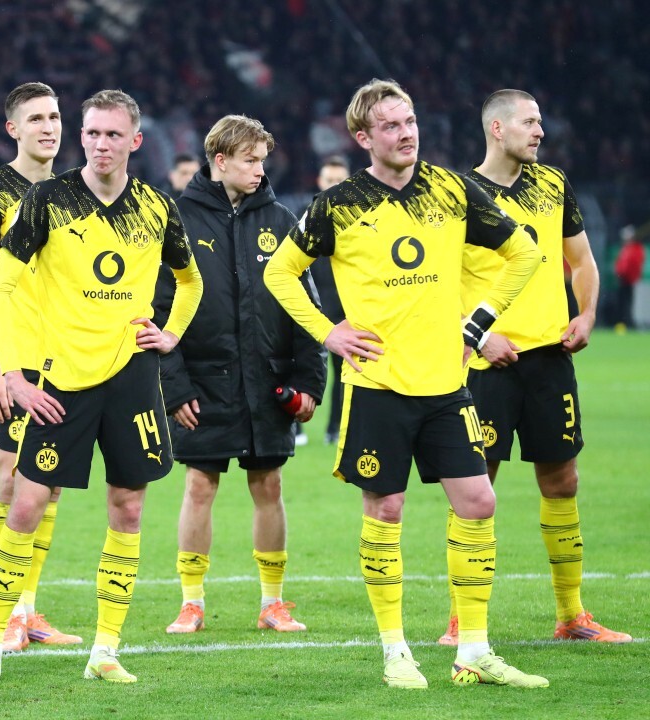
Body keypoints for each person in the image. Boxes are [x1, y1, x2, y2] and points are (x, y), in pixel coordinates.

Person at [264, 78, 547, 689]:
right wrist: (328, 331)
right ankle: (396, 652)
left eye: (410, 120)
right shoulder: (338, 204)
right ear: (363, 137)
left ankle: (474, 651)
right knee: (385, 508)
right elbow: (281, 273)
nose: (406, 133)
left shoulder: (451, 189)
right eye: (391, 125)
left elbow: (524, 253)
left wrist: (478, 322)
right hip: (378, 385)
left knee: (479, 503)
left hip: (446, 382)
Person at [0, 89, 203, 686]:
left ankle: (105, 650)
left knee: (128, 506)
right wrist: (12, 373)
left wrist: (169, 334)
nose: (99, 144)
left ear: (135, 141)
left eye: (112, 135)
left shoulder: (157, 207)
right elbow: (0, 288)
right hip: (60, 379)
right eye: (91, 133)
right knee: (26, 504)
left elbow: (191, 280)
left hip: (132, 378)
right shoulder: (46, 201)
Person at [438, 89, 631, 646]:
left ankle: (572, 616)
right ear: (497, 129)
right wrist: (479, 334)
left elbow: (582, 261)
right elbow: (436, 284)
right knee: (476, 489)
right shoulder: (459, 195)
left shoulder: (553, 184)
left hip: (550, 359)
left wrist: (587, 314)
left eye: (540, 121)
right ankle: (461, 620)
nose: (540, 131)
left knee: (563, 480)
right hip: (484, 366)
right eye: (529, 121)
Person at [152, 115, 326, 636]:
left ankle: (273, 603)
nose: (259, 170)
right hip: (202, 384)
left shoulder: (280, 218)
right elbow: (157, 314)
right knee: (199, 486)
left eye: (262, 161)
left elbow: (305, 307)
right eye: (250, 160)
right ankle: (191, 602)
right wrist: (174, 387)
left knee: (269, 484)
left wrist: (310, 383)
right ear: (220, 160)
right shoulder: (177, 219)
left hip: (267, 383)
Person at [0, 81, 80, 651]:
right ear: (13, 129)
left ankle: (28, 610)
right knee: (10, 477)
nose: (48, 127)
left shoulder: (74, 192)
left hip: (66, 358)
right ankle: (7, 611)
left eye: (54, 117)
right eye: (35, 119)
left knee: (48, 485)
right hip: (11, 359)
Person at [303, 156, 350, 445]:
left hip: (346, 314)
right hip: (310, 314)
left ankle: (335, 428)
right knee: (300, 369)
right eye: (330, 180)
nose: (334, 185)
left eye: (340, 180)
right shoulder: (305, 221)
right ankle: (295, 429)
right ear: (320, 182)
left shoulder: (362, 223)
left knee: (345, 374)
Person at [614, 224, 645, 329]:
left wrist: (629, 276)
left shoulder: (636, 248)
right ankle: (623, 322)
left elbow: (634, 265)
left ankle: (629, 323)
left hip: (631, 281)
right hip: (622, 280)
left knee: (629, 303)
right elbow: (620, 264)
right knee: (623, 302)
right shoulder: (625, 249)